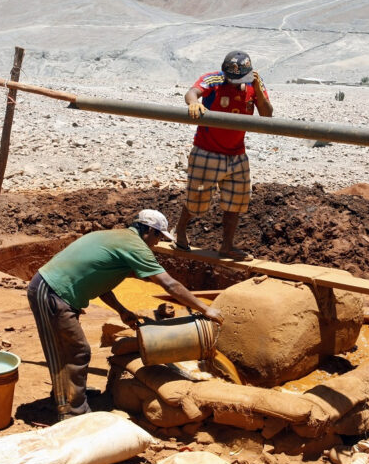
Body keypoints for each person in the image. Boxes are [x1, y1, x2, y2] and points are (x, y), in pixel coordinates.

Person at [27, 209, 223, 421]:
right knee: (74, 351)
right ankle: (72, 413)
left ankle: (71, 396)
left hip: (55, 291)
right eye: (158, 236)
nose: (157, 244)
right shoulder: (135, 245)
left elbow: (99, 283)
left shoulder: (117, 238)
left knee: (70, 350)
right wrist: (206, 309)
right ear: (148, 230)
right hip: (51, 292)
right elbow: (170, 284)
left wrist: (121, 311)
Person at [174, 50, 273, 261]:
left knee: (235, 202)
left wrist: (258, 90)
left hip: (237, 154)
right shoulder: (215, 79)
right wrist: (193, 102)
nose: (235, 83)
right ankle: (180, 230)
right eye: (232, 79)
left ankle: (227, 246)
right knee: (197, 199)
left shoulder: (256, 84)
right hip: (207, 151)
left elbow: (267, 115)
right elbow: (192, 92)